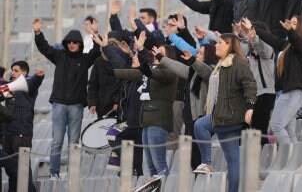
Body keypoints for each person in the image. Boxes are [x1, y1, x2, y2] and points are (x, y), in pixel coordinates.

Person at [99, 31, 178, 177]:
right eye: (156, 52)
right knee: (151, 166)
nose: (156, 54)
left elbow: (148, 70)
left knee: (159, 163)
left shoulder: (170, 72)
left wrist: (141, 50)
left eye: (161, 53)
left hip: (158, 120)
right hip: (146, 121)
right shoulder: (151, 71)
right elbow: (130, 72)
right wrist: (110, 70)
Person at [32, 18, 100, 179]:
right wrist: (37, 33)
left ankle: (72, 174)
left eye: (75, 42)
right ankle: (53, 173)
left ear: (79, 44)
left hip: (76, 106)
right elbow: (44, 48)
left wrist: (94, 32)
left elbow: (97, 50)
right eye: (69, 42)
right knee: (57, 142)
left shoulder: (85, 59)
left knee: (74, 143)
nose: (71, 44)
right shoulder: (59, 56)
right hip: (59, 105)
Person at [191, 33, 257, 192]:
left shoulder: (237, 63)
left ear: (229, 45)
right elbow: (208, 76)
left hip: (229, 115)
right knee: (233, 159)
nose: (216, 45)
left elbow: (250, 84)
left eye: (220, 42)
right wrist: (191, 60)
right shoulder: (221, 64)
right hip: (223, 113)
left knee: (200, 125)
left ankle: (206, 162)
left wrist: (250, 106)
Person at [160, 44, 217, 170]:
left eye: (201, 53)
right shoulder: (193, 72)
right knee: (192, 156)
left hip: (199, 117)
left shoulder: (211, 70)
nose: (198, 55)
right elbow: (180, 68)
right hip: (189, 118)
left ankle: (203, 181)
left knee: (197, 154)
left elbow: (205, 71)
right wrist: (162, 58)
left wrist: (192, 60)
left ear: (209, 55)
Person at [254, 16, 302, 142]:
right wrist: (253, 29)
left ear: (301, 27)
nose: (291, 24)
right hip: (287, 91)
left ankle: (290, 160)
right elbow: (273, 39)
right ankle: (296, 158)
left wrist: (290, 31)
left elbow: (296, 41)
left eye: (295, 23)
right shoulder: (287, 45)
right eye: (291, 22)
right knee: (289, 132)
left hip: (296, 91)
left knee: (277, 126)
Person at [2, 61, 44, 155]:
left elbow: (34, 82)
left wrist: (38, 77)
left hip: (22, 134)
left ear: (24, 73)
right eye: (12, 70)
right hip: (8, 133)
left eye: (16, 71)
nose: (12, 73)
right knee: (10, 167)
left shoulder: (28, 85)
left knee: (23, 166)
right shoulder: (9, 86)